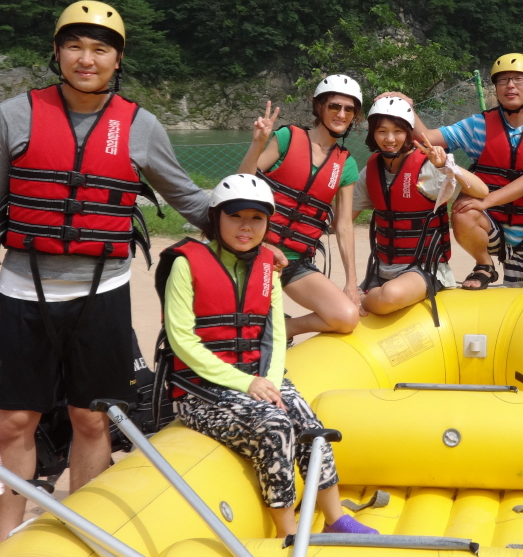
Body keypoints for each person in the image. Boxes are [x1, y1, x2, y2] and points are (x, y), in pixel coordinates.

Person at [0, 0, 211, 542]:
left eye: (100, 49)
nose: (86, 59)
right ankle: (7, 540)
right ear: (56, 53)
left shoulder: (140, 126)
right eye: (74, 46)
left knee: (93, 417)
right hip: (21, 291)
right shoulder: (14, 115)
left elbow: (192, 201)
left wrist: (254, 224)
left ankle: (81, 535)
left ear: (117, 60)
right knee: (14, 421)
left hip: (103, 292)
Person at [156, 174, 377, 537]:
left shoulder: (267, 267)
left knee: (306, 418)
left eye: (256, 218)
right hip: (200, 390)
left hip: (256, 377)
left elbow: (273, 334)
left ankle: (335, 519)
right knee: (275, 427)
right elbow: (181, 341)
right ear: (216, 217)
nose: (246, 226)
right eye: (235, 216)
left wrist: (270, 384)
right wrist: (247, 384)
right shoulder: (185, 264)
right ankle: (289, 535)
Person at [379, 54, 523, 288]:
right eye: (503, 80)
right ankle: (484, 264)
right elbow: (429, 139)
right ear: (495, 87)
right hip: (490, 225)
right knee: (463, 211)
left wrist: (485, 201)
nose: (510, 86)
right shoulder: (479, 125)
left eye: (519, 79)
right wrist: (405, 108)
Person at [238, 75, 364, 341]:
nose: (341, 114)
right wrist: (257, 144)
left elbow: (343, 226)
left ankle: (280, 330)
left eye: (349, 109)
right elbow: (242, 184)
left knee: (346, 316)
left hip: (294, 262)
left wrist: (351, 283)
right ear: (319, 107)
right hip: (253, 250)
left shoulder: (346, 165)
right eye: (334, 106)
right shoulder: (287, 137)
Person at [352, 97, 487, 316]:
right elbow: (343, 220)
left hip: (424, 269)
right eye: (381, 131)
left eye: (397, 131)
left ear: (408, 133)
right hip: (381, 269)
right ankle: (365, 296)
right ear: (373, 134)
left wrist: (446, 165)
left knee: (390, 296)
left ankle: (363, 300)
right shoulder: (370, 172)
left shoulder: (428, 168)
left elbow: (481, 190)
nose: (389, 139)